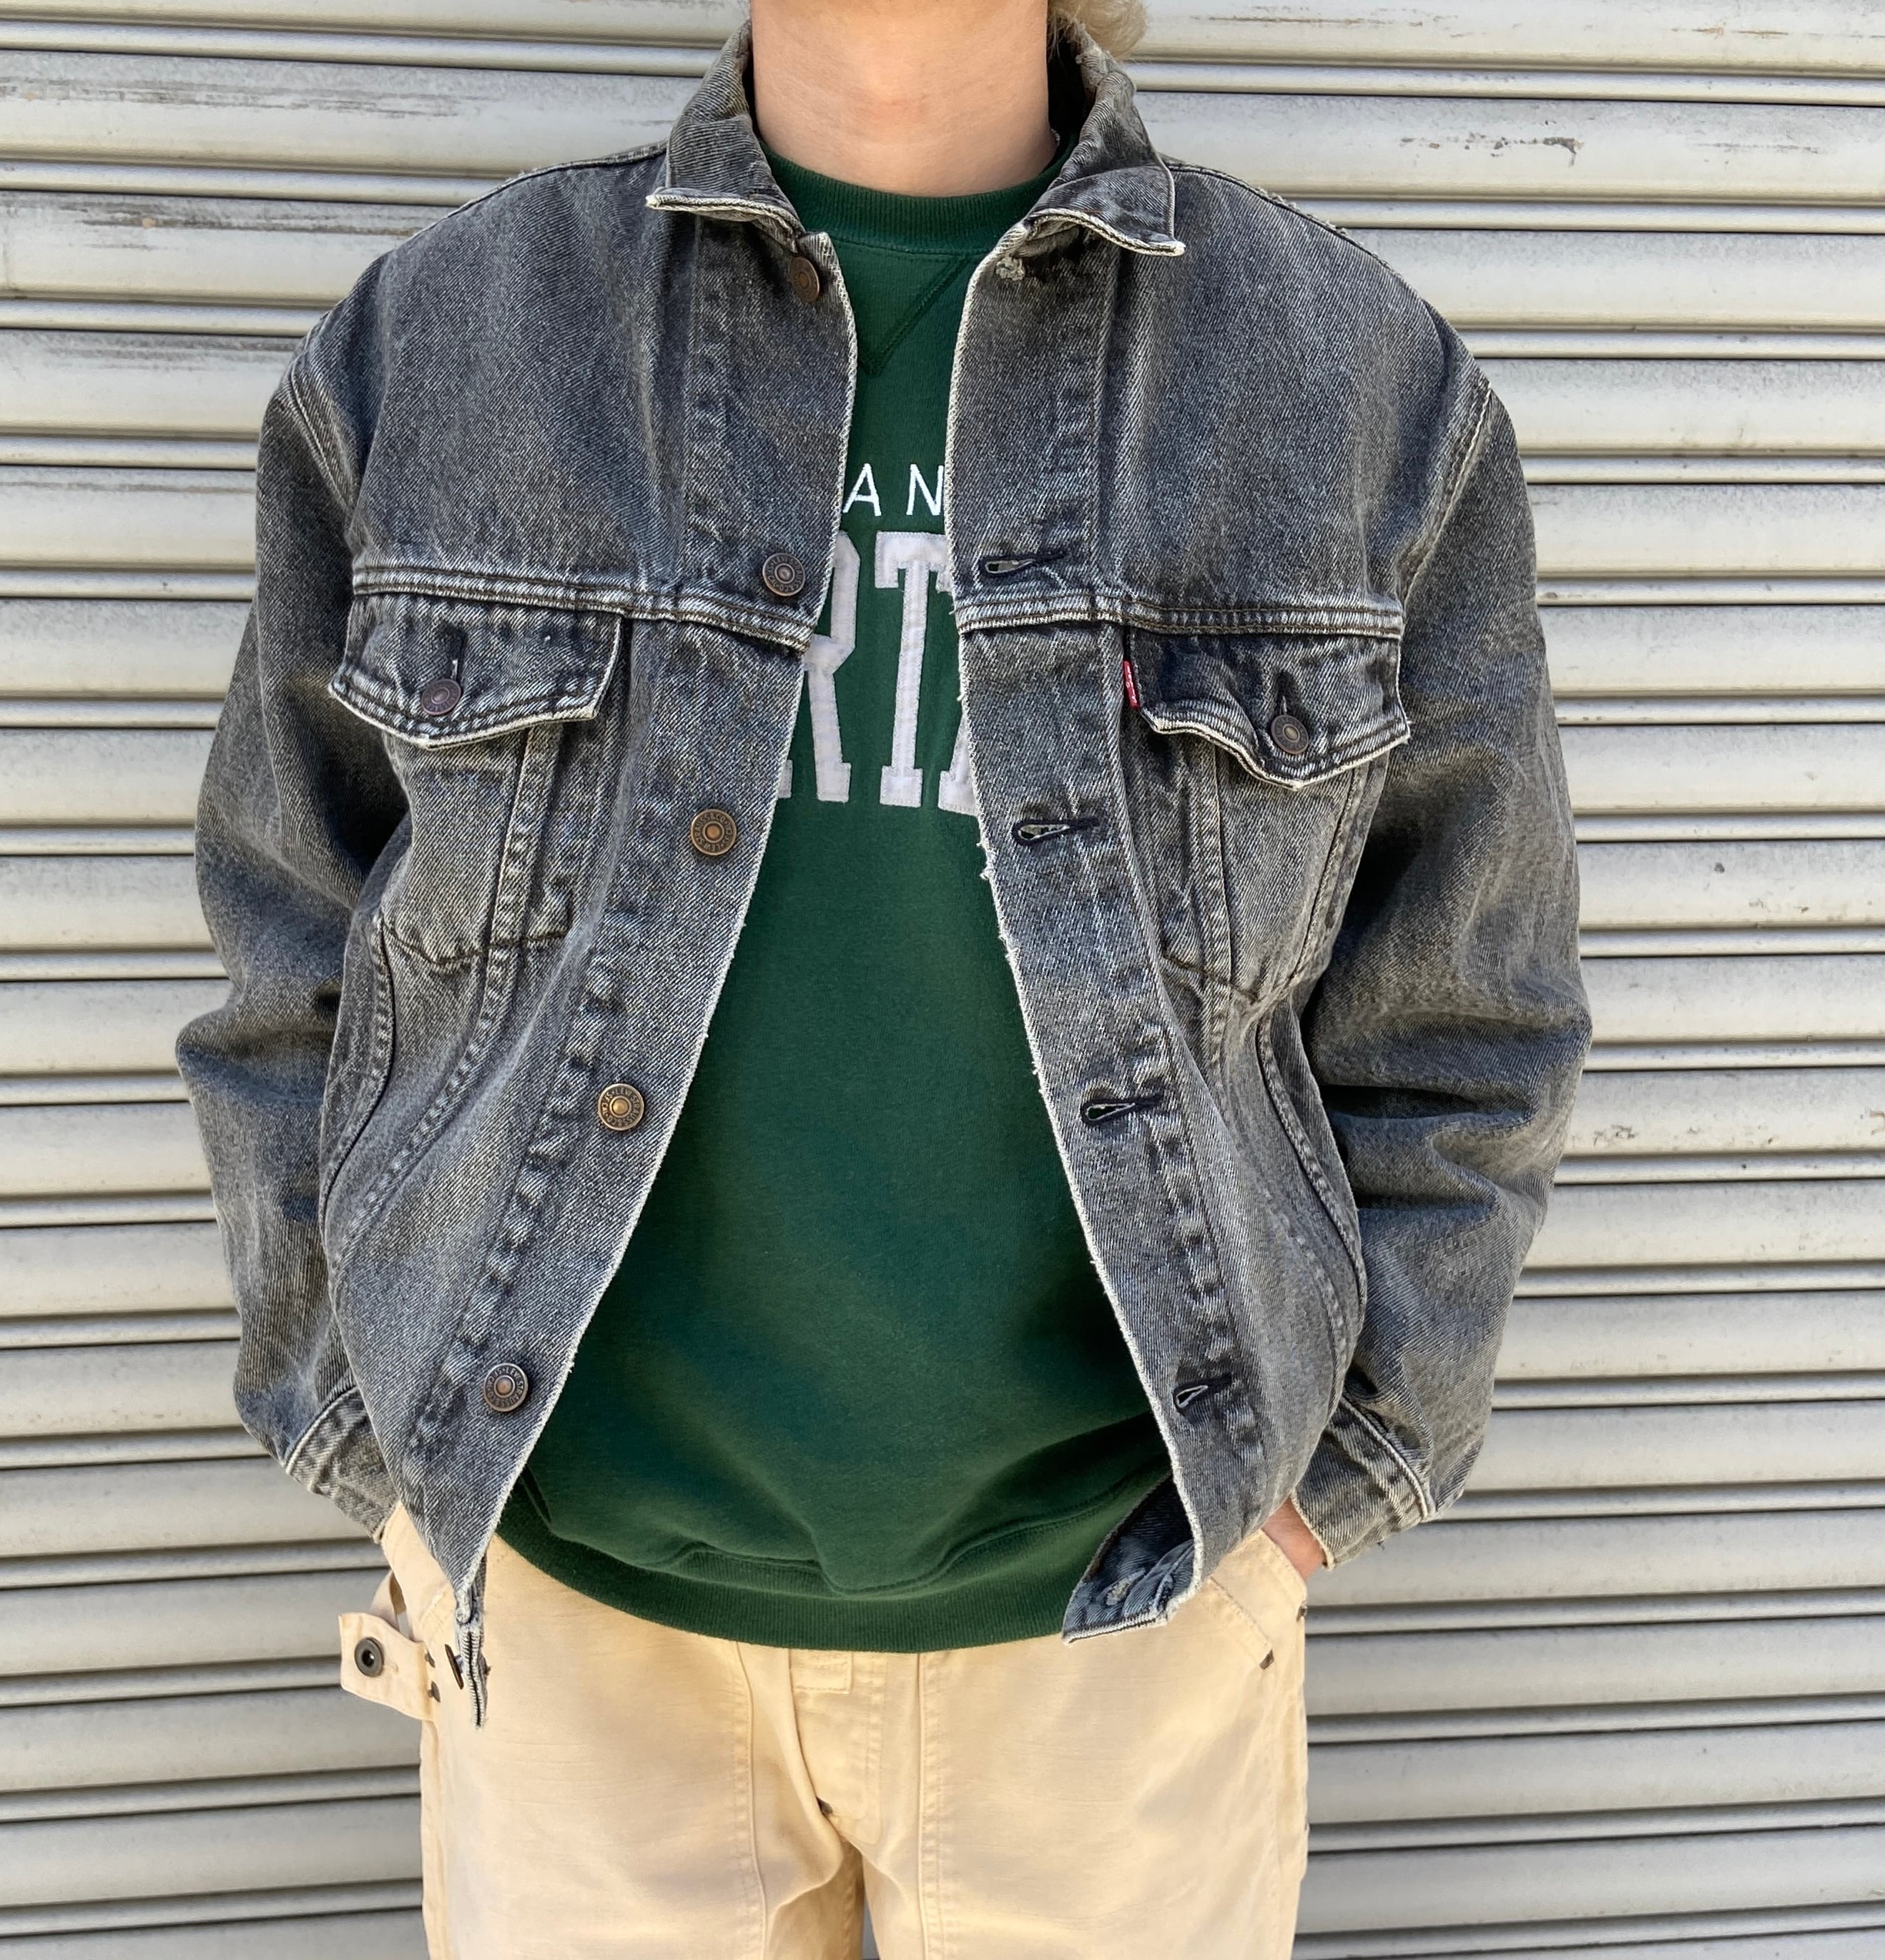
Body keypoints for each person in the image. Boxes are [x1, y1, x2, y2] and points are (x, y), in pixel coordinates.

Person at [177, 0, 1590, 1951]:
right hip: (579, 1635)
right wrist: (372, 1433)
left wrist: (1322, 1498)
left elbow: (1467, 1010)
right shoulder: (452, 342)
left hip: (1124, 1637)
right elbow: (291, 935)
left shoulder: (1351, 383)